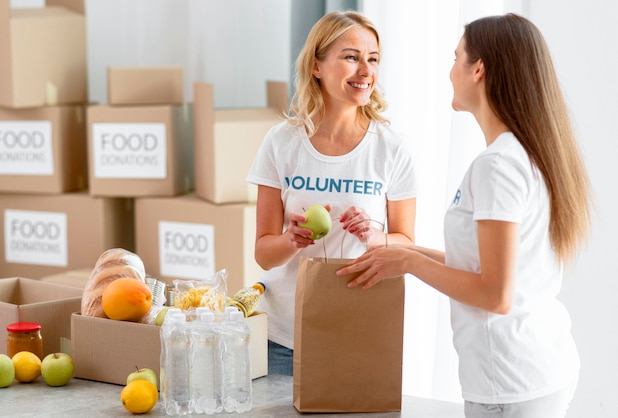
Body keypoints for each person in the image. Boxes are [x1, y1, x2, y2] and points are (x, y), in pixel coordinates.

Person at [337, 13, 593, 418]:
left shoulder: (498, 166)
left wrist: (408, 261)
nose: (450, 71)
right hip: (535, 371)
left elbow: (495, 295)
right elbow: (481, 267)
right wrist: (397, 252)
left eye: (456, 58)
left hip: (512, 382)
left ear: (479, 69)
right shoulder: (521, 155)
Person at [246, 10, 417, 376]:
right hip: (282, 339)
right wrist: (292, 239)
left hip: (358, 333)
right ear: (317, 66)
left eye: (372, 59)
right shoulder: (281, 142)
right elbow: (263, 254)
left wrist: (373, 236)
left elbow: (406, 245)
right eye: (351, 57)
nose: (366, 71)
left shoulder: (392, 148)